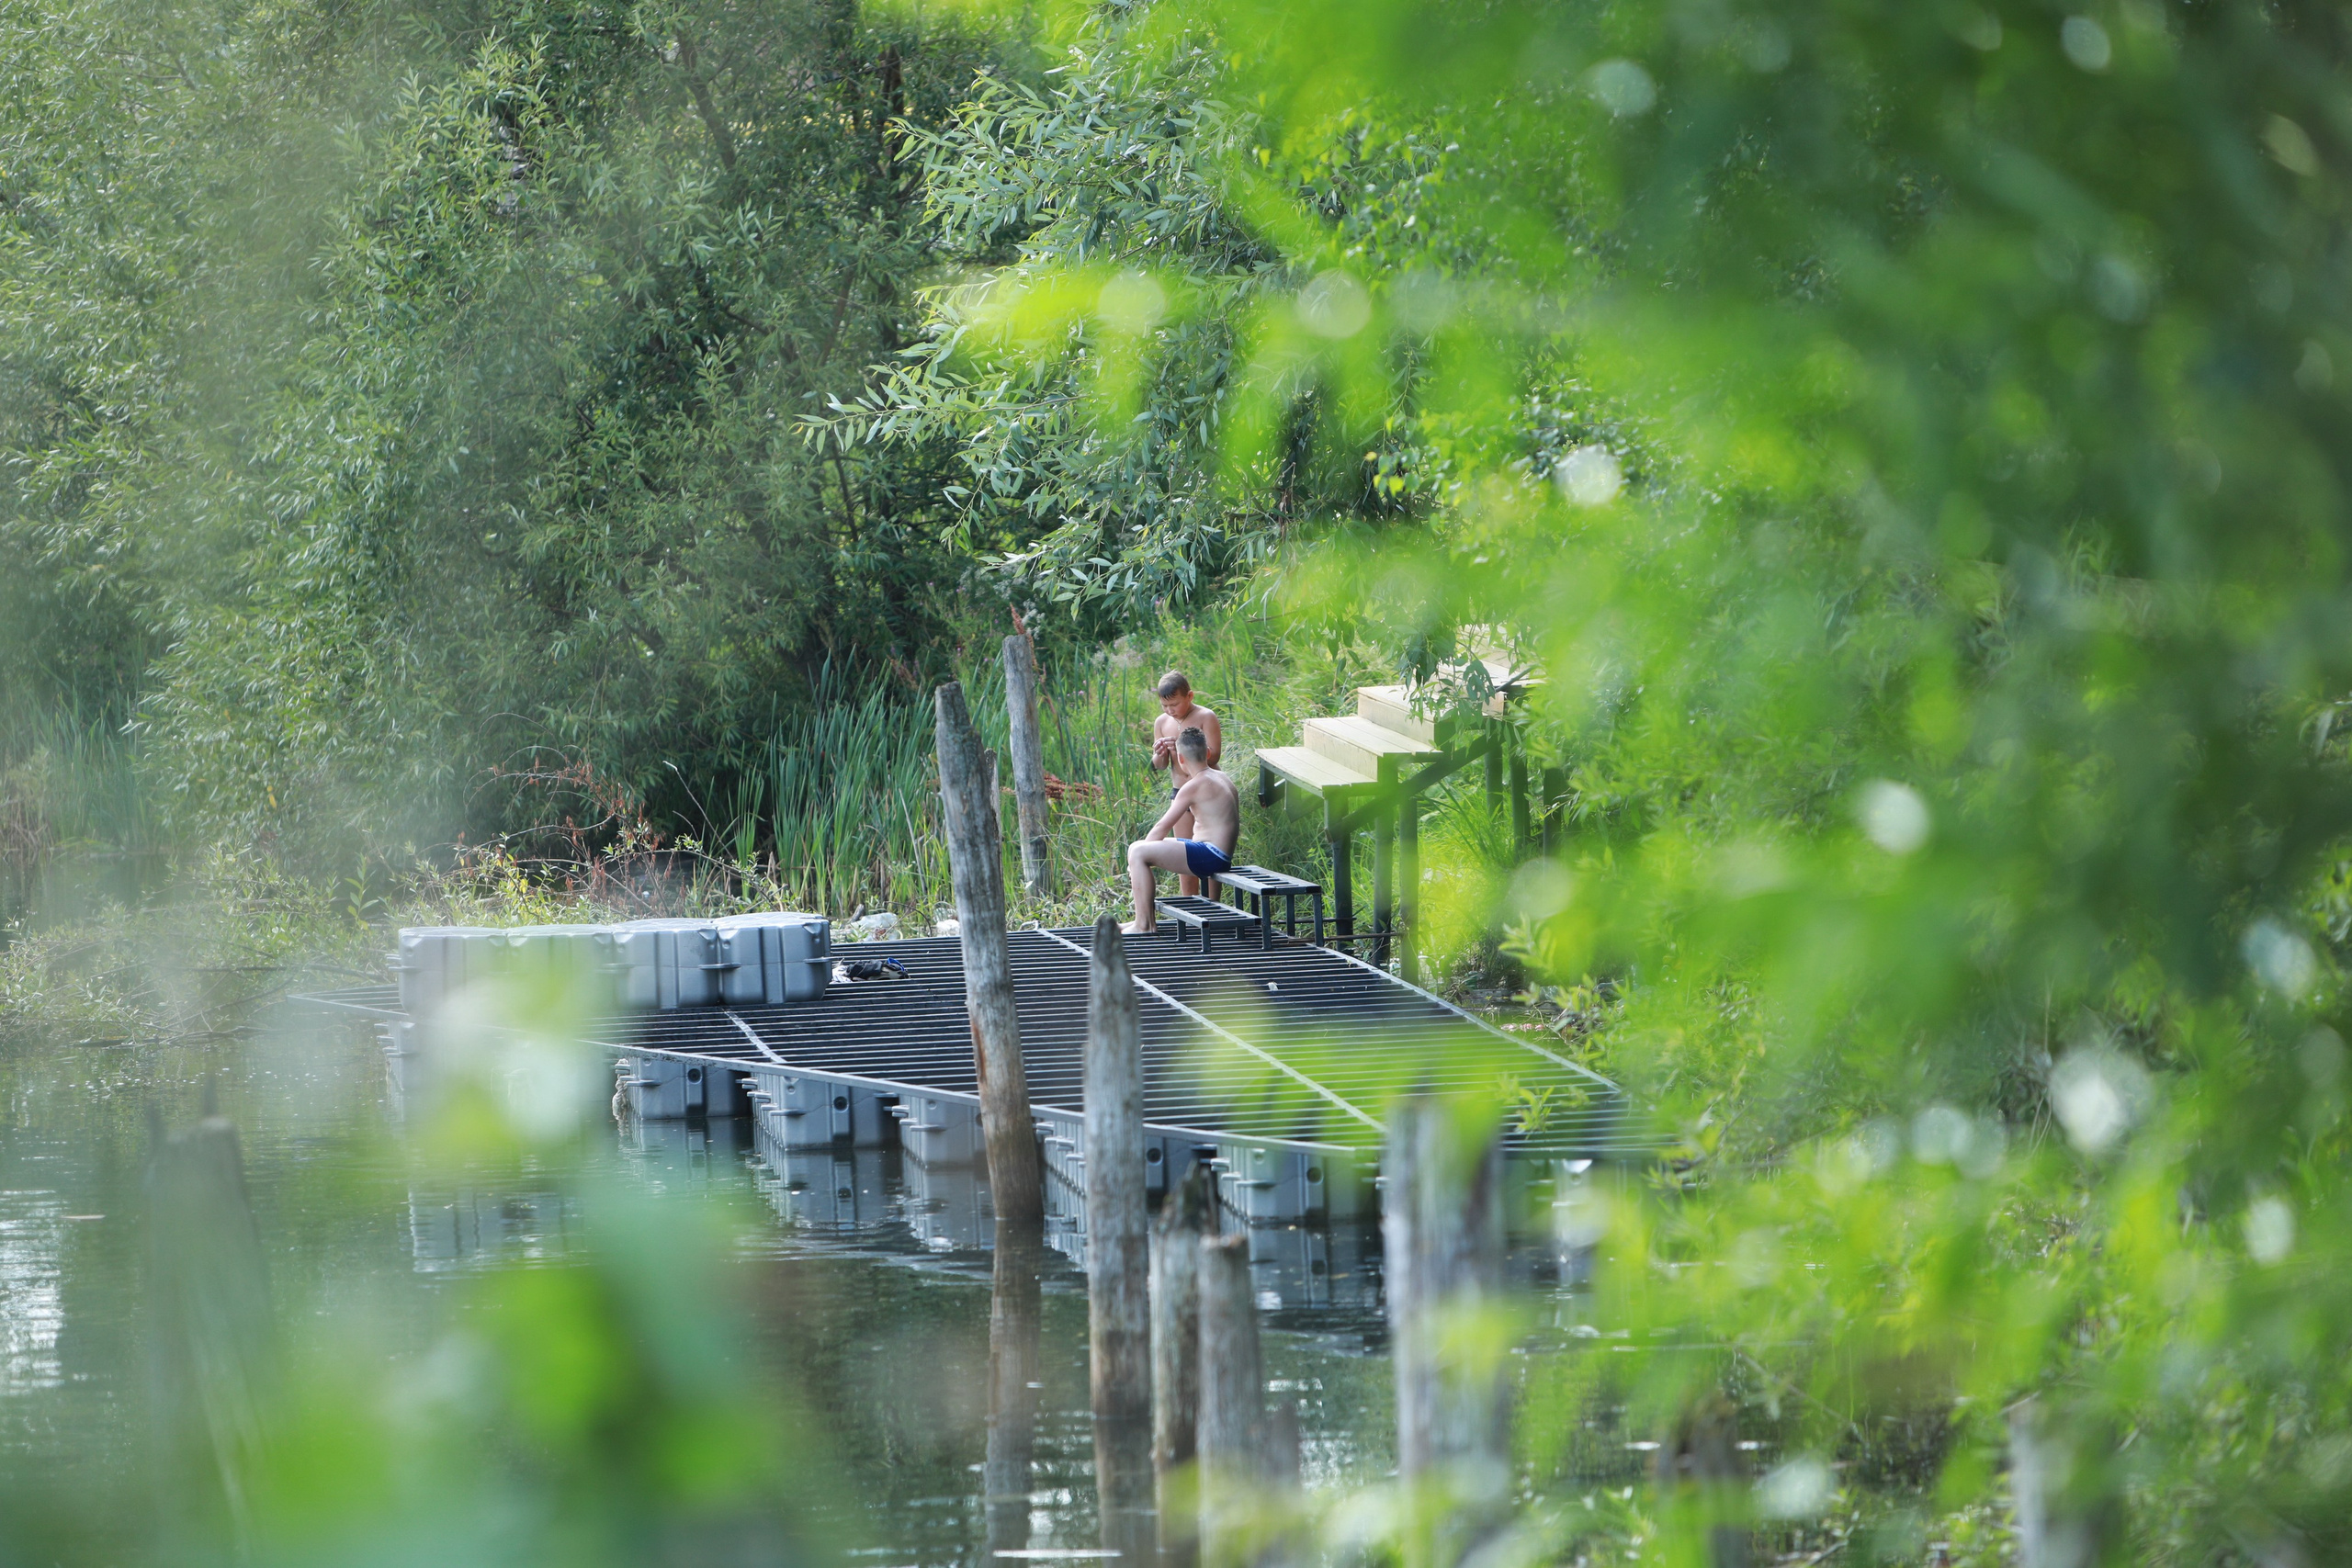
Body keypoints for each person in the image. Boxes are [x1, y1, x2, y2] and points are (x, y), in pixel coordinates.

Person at [1124, 728, 1238, 934]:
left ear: (1181, 759)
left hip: (1211, 856)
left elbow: (1161, 827)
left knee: (1139, 851)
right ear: (1208, 753)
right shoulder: (1222, 777)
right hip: (1214, 852)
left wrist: (1134, 864)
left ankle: (1144, 925)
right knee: (1136, 848)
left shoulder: (1193, 786)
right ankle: (1141, 921)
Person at [1148, 671, 1223, 895]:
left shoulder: (1205, 716)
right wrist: (1161, 753)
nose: (1170, 711)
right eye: (1165, 706)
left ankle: (1214, 908)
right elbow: (1160, 765)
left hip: (1206, 793)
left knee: (1210, 852)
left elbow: (1215, 756)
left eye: (1175, 704)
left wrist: (1186, 749)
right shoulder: (1162, 722)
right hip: (1180, 793)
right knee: (1185, 858)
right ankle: (1190, 913)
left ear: (1189, 696)